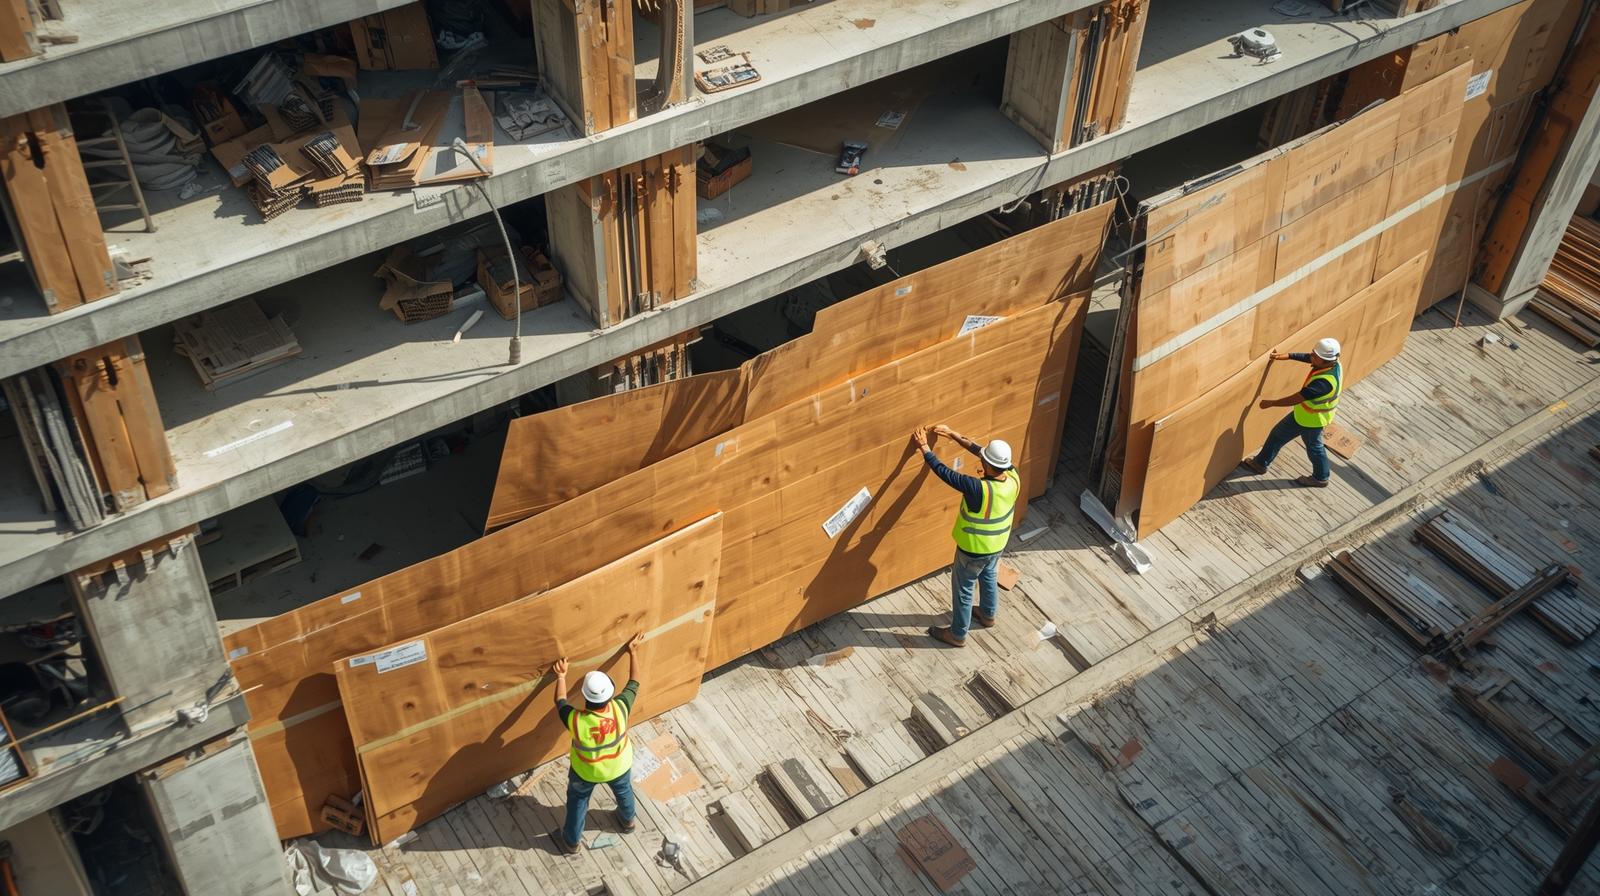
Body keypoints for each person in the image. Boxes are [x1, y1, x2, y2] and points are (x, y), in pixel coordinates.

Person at [912, 424, 1020, 647]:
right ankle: (988, 615)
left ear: (986, 464)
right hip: (997, 544)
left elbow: (945, 473)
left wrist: (925, 448)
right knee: (989, 576)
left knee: (964, 589)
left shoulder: (977, 489)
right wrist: (953, 435)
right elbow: (980, 451)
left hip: (973, 550)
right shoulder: (1013, 476)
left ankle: (957, 634)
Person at [551, 634, 644, 853]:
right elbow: (634, 682)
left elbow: (560, 701)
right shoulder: (621, 707)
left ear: (585, 696)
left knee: (577, 802)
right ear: (610, 693)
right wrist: (633, 652)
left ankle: (571, 842)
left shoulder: (576, 721)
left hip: (586, 772)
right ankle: (628, 821)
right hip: (619, 766)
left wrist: (561, 676)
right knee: (624, 791)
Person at [1238, 337, 1343, 488]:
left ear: (1326, 361)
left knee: (1314, 448)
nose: (1311, 357)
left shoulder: (1323, 383)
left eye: (1315, 357)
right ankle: (1260, 463)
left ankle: (1321, 478)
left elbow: (1297, 398)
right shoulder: (1334, 363)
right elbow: (1309, 357)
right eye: (1313, 354)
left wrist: (1272, 403)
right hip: (1306, 415)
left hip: (1312, 420)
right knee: (1278, 435)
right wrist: (1288, 356)